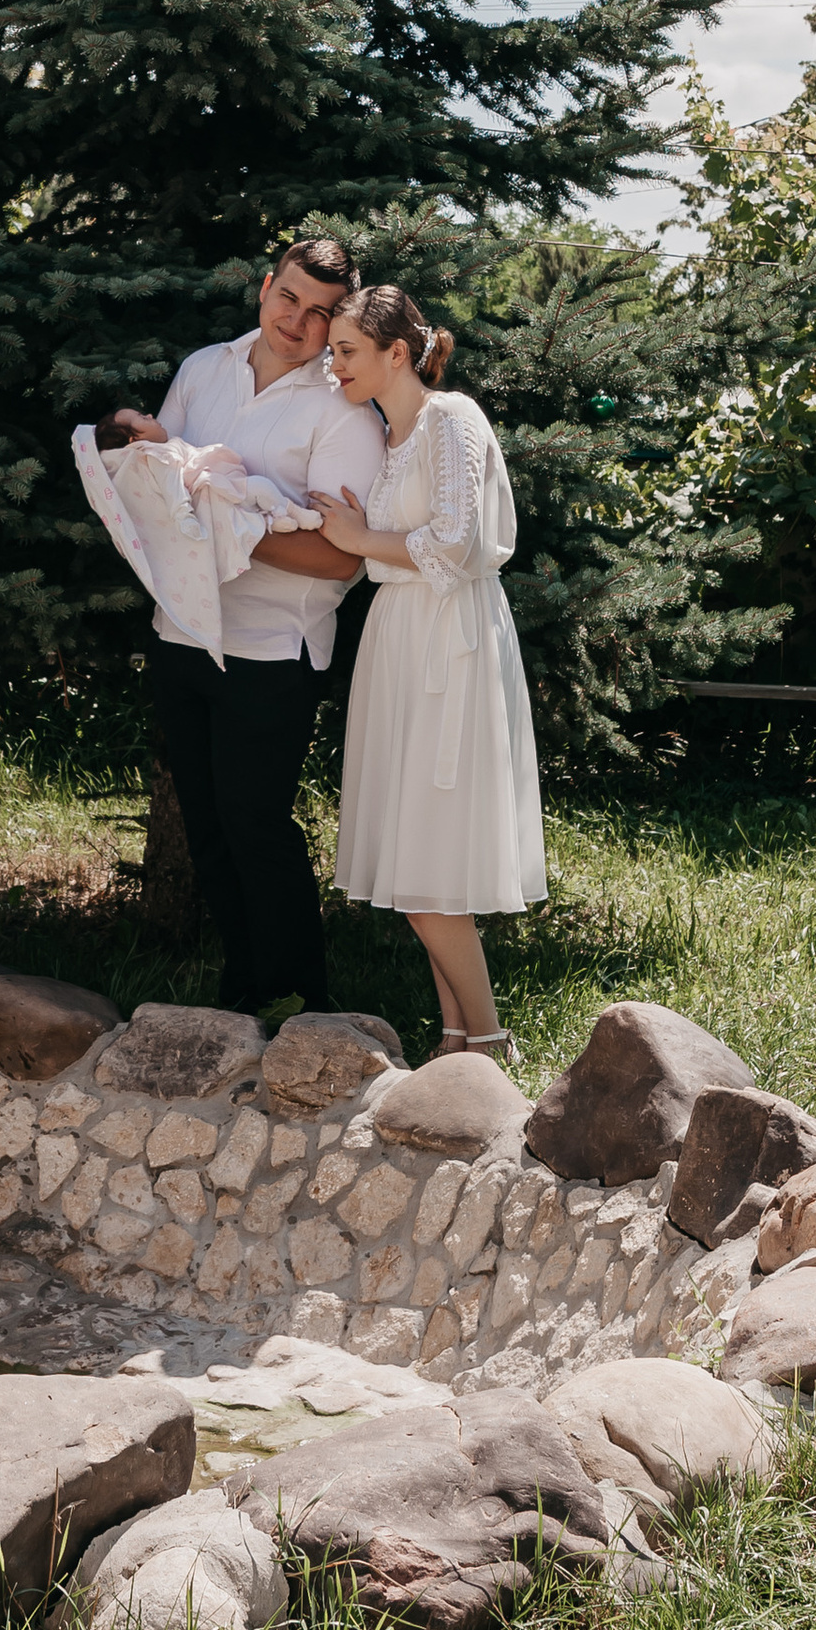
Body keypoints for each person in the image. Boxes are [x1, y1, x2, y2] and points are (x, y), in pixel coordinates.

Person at [120, 236, 382, 1016]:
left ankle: (305, 997)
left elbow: (341, 563)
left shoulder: (345, 414)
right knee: (206, 830)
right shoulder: (204, 368)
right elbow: (161, 480)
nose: (298, 324)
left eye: (322, 314)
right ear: (265, 287)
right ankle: (245, 989)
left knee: (256, 826)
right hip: (182, 633)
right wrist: (143, 450)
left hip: (273, 650)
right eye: (288, 299)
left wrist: (227, 523)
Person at [315, 284, 547, 1061]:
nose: (333, 363)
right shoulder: (393, 434)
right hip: (401, 637)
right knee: (425, 857)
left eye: (346, 350)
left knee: (427, 863)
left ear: (397, 354)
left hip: (449, 641)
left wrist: (357, 535)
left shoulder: (453, 419)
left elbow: (453, 541)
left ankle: (489, 1040)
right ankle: (453, 1038)